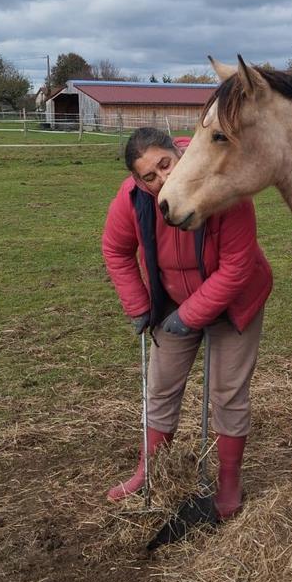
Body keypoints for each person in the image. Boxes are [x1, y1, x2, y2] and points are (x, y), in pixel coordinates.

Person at [102, 126, 273, 520]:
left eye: (165, 164)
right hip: (171, 300)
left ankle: (229, 481)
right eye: (149, 176)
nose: (162, 179)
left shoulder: (223, 190)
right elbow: (115, 249)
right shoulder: (130, 200)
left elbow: (236, 268)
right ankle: (150, 470)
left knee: (226, 392)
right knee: (160, 387)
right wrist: (139, 305)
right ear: (136, 181)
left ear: (178, 153)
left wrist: (191, 315)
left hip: (235, 301)